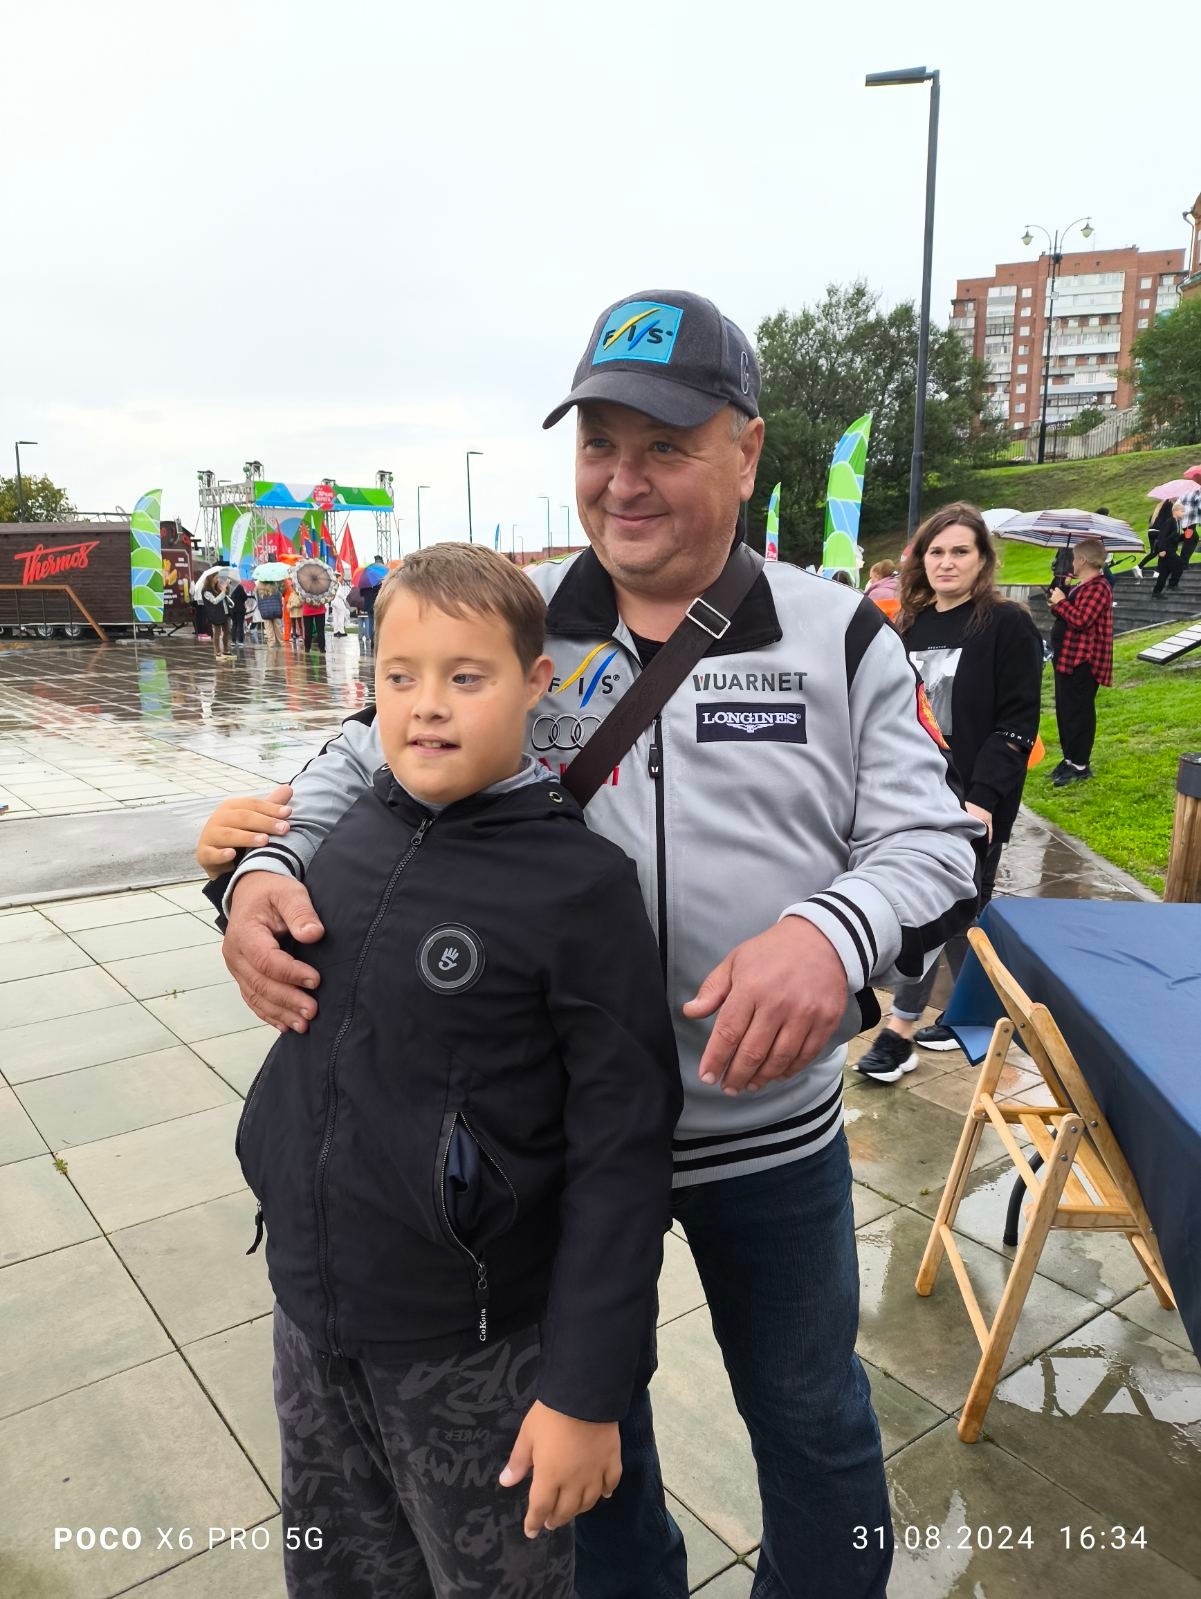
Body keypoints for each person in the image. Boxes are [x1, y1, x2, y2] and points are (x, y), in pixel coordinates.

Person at [196, 288, 982, 1599]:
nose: (624, 479)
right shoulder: (521, 622)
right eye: (600, 443)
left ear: (746, 449)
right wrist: (261, 871)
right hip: (543, 1144)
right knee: (586, 1443)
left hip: (765, 1136)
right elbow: (354, 758)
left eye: (666, 444)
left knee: (812, 1418)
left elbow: (936, 844)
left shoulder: (840, 632)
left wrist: (827, 933)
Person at [236, 544, 680, 1597]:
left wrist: (586, 1393)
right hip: (311, 1311)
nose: (427, 704)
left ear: (534, 683)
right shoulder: (347, 829)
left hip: (472, 1349)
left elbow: (622, 1159)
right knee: (339, 1571)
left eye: (465, 676)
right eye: (400, 676)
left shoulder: (578, 887)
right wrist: (241, 869)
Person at [855, 504, 1043, 1078]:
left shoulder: (1006, 624)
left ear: (983, 559)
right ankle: (995, 1016)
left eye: (961, 551)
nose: (946, 562)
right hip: (910, 791)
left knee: (939, 905)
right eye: (936, 551)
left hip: (974, 798)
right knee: (962, 916)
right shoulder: (907, 627)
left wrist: (981, 798)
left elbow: (1017, 725)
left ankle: (900, 1030)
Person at [1048, 536, 1113, 785]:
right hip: (1068, 658)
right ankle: (1068, 759)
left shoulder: (1099, 587)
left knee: (1079, 713)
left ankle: (1080, 765)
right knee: (1065, 712)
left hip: (1083, 662)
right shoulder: (1082, 586)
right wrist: (1060, 596)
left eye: (1075, 558)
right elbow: (1065, 614)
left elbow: (1081, 620)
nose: (1073, 563)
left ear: (1083, 560)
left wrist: (1063, 602)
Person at [1139, 497, 1180, 574]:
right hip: (1158, 532)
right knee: (1164, 551)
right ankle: (1156, 572)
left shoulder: (1160, 505)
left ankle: (1140, 567)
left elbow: (1150, 519)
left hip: (1151, 531)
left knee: (1155, 552)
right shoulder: (1169, 505)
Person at [201, 574, 234, 661]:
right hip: (215, 613)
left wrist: (226, 587)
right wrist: (223, 592)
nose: (217, 579)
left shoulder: (217, 587)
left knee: (227, 631)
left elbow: (226, 595)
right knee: (217, 632)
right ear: (211, 578)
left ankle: (226, 650)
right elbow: (215, 601)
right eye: (216, 577)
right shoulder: (206, 590)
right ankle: (217, 651)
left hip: (224, 612)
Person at [300, 588, 327, 654]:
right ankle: (322, 648)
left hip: (307, 610)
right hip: (320, 610)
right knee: (320, 631)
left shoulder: (304, 586)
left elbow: (301, 598)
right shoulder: (321, 586)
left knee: (308, 630)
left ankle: (307, 648)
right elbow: (325, 597)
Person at [285, 581, 305, 646]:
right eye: (292, 587)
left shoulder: (299, 594)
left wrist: (293, 605)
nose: (293, 588)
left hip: (298, 612)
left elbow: (300, 603)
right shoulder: (291, 594)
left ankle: (301, 635)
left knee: (299, 624)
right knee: (293, 624)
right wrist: (289, 606)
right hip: (292, 612)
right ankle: (294, 635)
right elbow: (288, 603)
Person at [229, 578, 248, 646]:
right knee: (240, 625)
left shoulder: (230, 587)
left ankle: (233, 641)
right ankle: (240, 641)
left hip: (232, 609)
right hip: (240, 609)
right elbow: (245, 597)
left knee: (234, 624)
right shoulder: (239, 587)